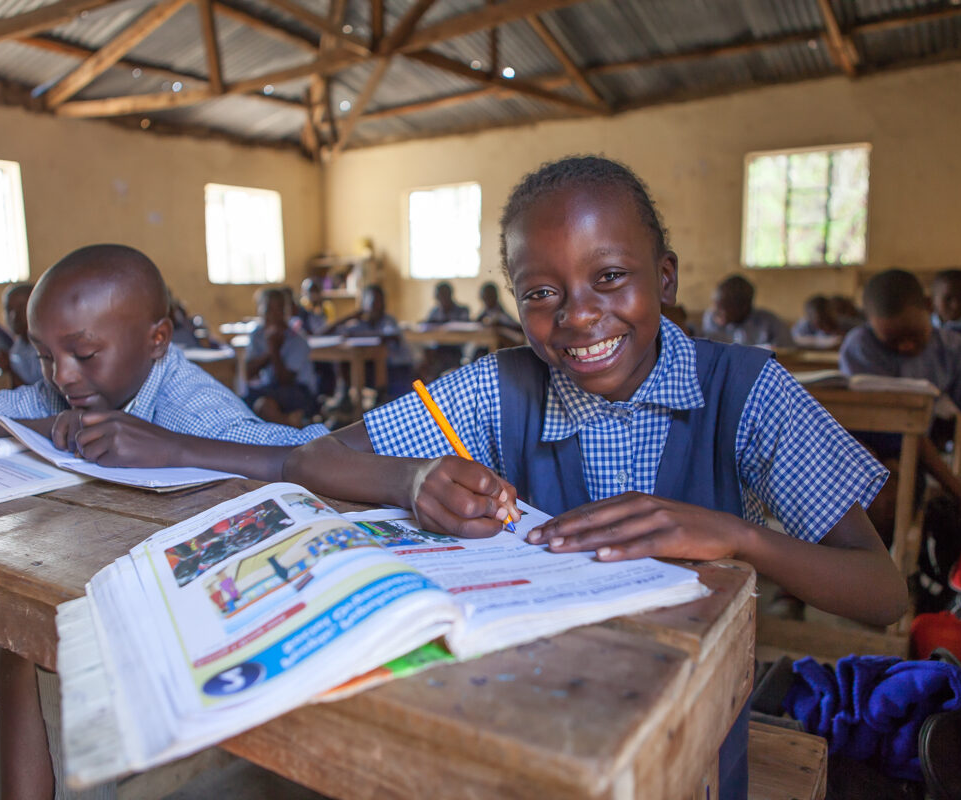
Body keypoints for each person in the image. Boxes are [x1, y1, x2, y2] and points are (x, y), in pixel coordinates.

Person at [285, 156, 906, 800]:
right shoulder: (503, 385)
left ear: (665, 277)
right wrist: (414, 481)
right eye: (542, 293)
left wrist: (738, 537)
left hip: (690, 752)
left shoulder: (746, 391)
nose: (578, 316)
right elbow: (315, 459)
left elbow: (881, 594)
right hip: (523, 731)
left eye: (609, 277)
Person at [0, 245, 327, 800]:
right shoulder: (61, 391)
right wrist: (50, 423)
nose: (63, 374)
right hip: (110, 570)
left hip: (212, 595)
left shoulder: (190, 404)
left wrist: (175, 449)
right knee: (23, 633)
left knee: (52, 637)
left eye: (84, 355)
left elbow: (303, 459)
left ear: (158, 339)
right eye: (45, 355)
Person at [839, 269, 961, 538]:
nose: (904, 347)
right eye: (892, 341)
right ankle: (864, 571)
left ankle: (889, 568)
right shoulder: (861, 345)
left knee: (896, 487)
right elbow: (901, 428)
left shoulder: (953, 349)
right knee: (876, 493)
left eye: (912, 335)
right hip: (859, 450)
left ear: (928, 306)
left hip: (909, 454)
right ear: (870, 324)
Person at [321, 284, 413, 406]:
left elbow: (389, 337)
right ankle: (346, 401)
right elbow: (323, 334)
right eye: (373, 302)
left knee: (379, 366)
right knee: (343, 361)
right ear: (364, 304)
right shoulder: (358, 324)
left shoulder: (388, 321)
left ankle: (379, 401)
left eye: (380, 302)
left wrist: (361, 336)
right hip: (370, 368)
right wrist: (348, 317)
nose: (377, 306)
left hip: (395, 368)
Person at [245, 288, 317, 426]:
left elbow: (285, 380)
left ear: (287, 312)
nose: (273, 315)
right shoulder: (257, 335)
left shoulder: (297, 339)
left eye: (279, 309)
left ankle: (294, 434)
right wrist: (269, 352)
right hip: (270, 388)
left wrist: (275, 349)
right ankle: (291, 424)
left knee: (264, 406)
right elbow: (248, 374)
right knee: (243, 403)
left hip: (299, 391)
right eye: (268, 309)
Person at [700, 274, 793, 347]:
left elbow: (787, 352)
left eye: (723, 308)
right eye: (716, 305)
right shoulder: (711, 318)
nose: (716, 312)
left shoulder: (769, 324)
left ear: (744, 307)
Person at [0, 283, 43, 387]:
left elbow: (40, 398)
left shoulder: (46, 347)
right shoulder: (20, 343)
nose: (14, 316)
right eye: (9, 309)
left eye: (21, 309)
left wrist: (9, 369)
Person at [421, 281, 472, 380]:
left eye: (444, 294)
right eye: (439, 295)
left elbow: (465, 324)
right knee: (425, 362)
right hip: (439, 350)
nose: (442, 298)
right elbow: (427, 324)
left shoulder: (462, 310)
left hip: (455, 350)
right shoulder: (435, 311)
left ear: (450, 294)